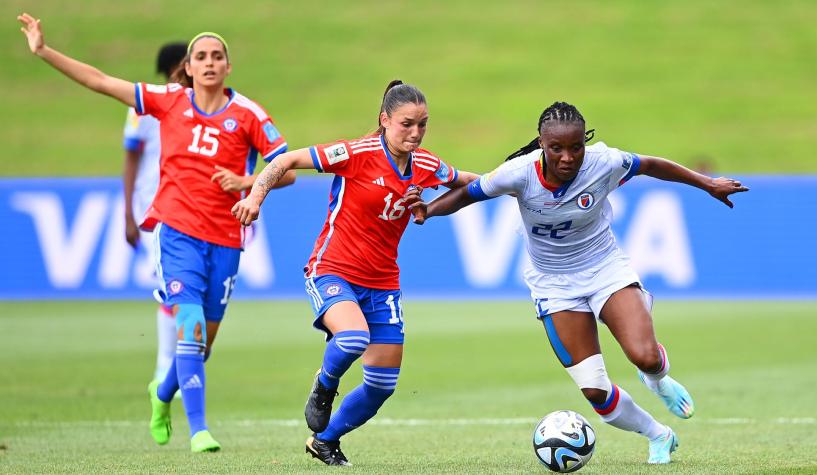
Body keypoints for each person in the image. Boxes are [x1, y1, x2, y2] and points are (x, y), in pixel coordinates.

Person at [404, 101, 748, 464]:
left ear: (585, 143)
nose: (568, 157)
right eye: (557, 148)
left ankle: (657, 380)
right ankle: (658, 434)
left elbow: (650, 164)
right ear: (541, 144)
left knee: (645, 357)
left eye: (576, 147)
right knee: (595, 390)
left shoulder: (604, 162)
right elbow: (468, 194)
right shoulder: (517, 173)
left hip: (605, 269)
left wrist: (706, 183)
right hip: (553, 285)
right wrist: (429, 209)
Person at [18, 14, 296, 453]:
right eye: (200, 56)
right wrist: (43, 50)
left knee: (201, 345)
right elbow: (99, 81)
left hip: (226, 239)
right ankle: (200, 429)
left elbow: (285, 167)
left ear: (228, 66)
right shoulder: (168, 101)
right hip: (177, 233)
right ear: (187, 66)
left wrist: (248, 184)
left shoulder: (248, 114)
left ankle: (162, 393)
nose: (208, 63)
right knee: (190, 328)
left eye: (216, 56)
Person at [232, 80, 478, 466]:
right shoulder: (354, 153)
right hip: (332, 269)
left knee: (382, 386)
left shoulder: (426, 164)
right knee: (351, 339)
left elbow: (467, 181)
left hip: (383, 284)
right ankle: (324, 384)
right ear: (384, 120)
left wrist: (515, 183)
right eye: (406, 124)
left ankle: (325, 441)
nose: (415, 133)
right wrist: (255, 196)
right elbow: (284, 161)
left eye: (423, 124)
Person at [122, 42, 187, 387]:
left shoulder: (208, 108)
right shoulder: (144, 108)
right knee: (169, 286)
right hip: (153, 209)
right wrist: (127, 214)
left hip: (192, 210)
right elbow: (131, 158)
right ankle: (165, 367)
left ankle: (177, 367)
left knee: (190, 295)